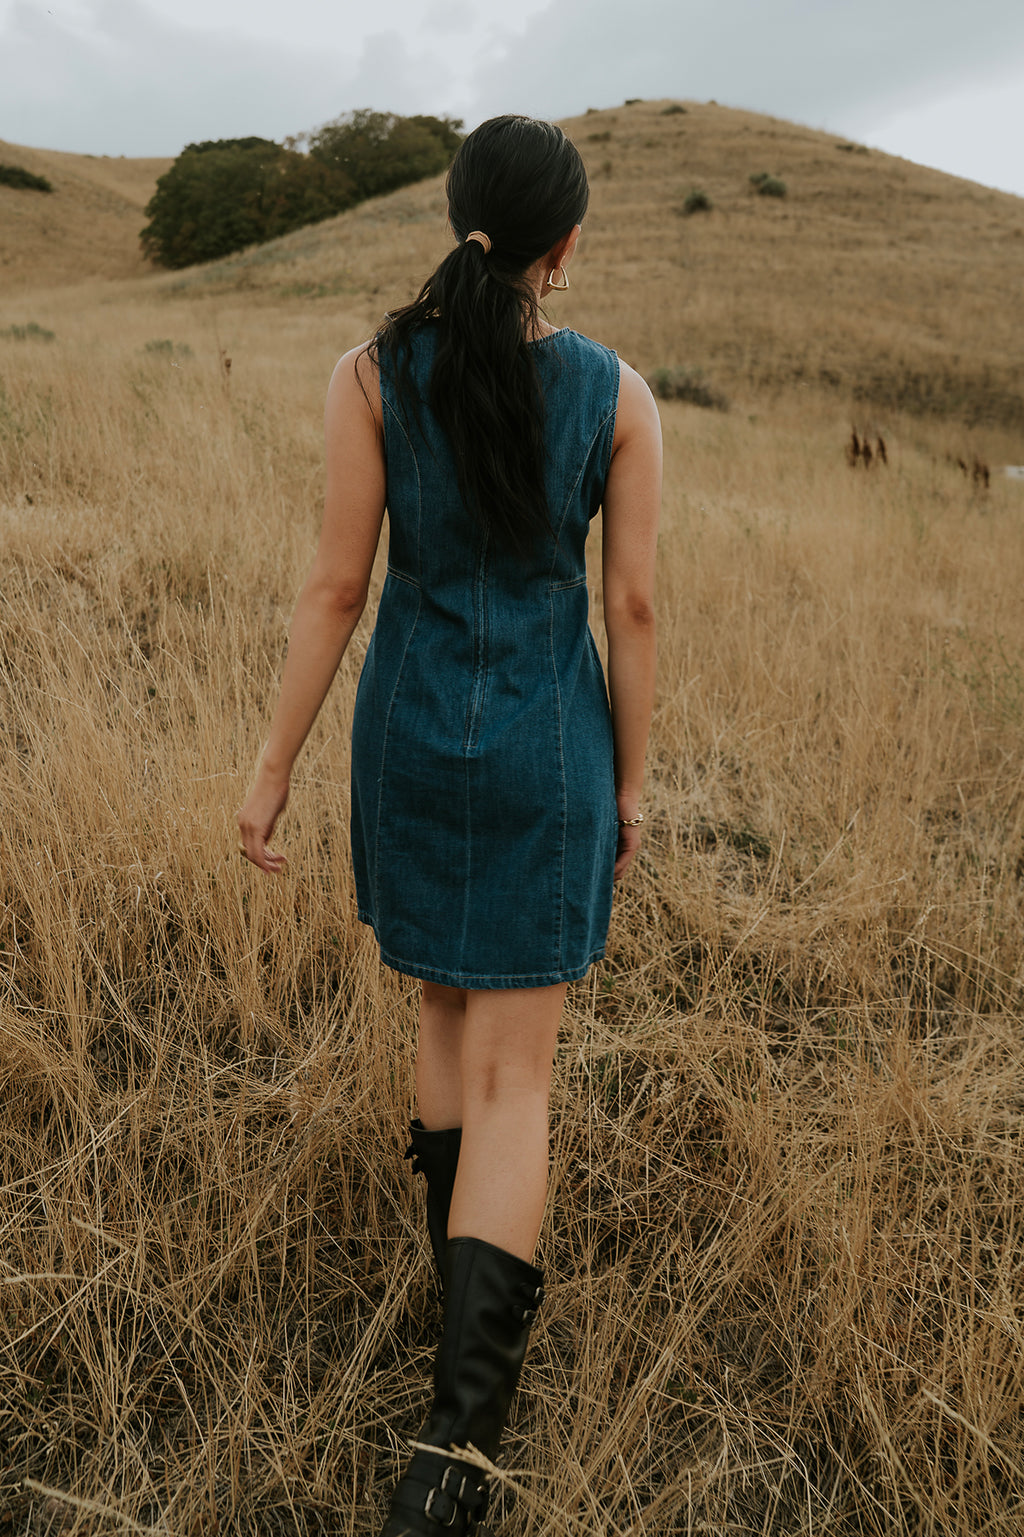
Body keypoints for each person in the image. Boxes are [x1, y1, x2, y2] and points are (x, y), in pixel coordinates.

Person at [237, 114, 661, 1536]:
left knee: (442, 1013)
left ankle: (459, 1302)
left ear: (457, 212)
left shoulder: (368, 373)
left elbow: (333, 587)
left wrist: (272, 767)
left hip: (408, 739)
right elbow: (633, 608)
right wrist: (632, 783)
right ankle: (458, 1447)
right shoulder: (618, 396)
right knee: (514, 1078)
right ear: (566, 245)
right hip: (548, 753)